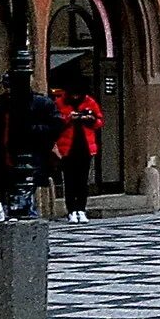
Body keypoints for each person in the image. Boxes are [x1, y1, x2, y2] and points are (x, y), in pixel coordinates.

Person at [50, 64, 105, 224]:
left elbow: (99, 120)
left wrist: (90, 119)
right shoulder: (60, 102)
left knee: (82, 180)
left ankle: (81, 209)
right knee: (70, 180)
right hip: (67, 148)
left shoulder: (89, 101)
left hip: (85, 147)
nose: (75, 97)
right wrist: (69, 118)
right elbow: (55, 121)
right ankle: (71, 210)